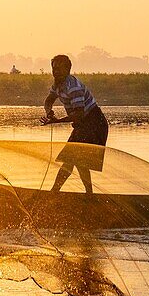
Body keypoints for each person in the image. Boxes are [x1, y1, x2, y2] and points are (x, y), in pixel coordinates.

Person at [41, 54, 109, 193]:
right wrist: (49, 113)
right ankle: (88, 193)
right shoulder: (57, 85)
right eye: (54, 69)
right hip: (83, 124)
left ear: (67, 70)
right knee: (76, 159)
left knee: (72, 158)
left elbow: (78, 115)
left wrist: (57, 121)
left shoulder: (73, 87)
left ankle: (55, 191)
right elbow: (48, 101)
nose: (56, 72)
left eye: (59, 69)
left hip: (95, 123)